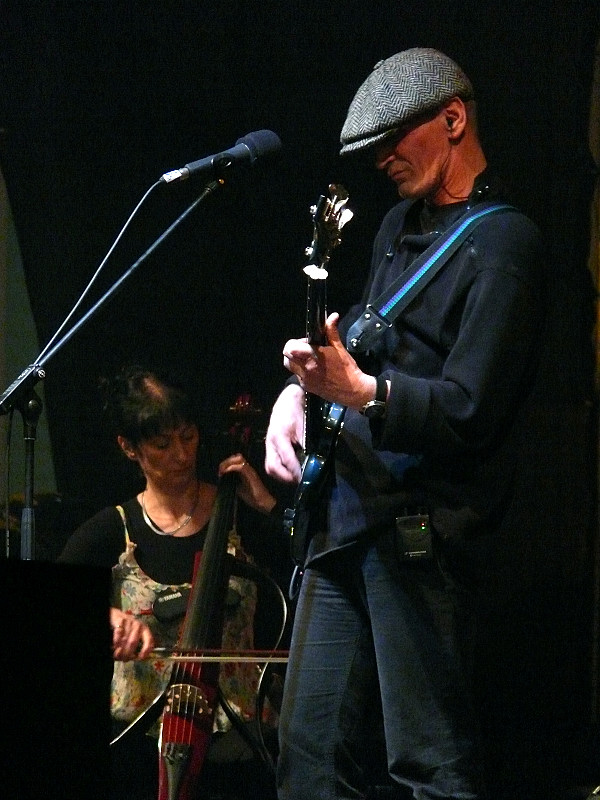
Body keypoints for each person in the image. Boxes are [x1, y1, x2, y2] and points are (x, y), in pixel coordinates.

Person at [264, 48, 550, 800]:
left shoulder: (504, 244)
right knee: (307, 759)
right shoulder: (396, 224)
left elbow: (469, 408)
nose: (383, 160)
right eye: (373, 149)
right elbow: (360, 333)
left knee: (429, 764)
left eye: (396, 139)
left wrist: (362, 393)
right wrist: (299, 393)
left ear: (453, 119)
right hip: (344, 520)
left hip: (419, 536)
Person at [58, 365, 282, 800]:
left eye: (188, 436)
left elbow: (315, 569)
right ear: (129, 448)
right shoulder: (111, 529)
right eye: (162, 444)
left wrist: (269, 508)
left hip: (237, 749)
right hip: (138, 752)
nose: (182, 454)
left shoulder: (238, 513)